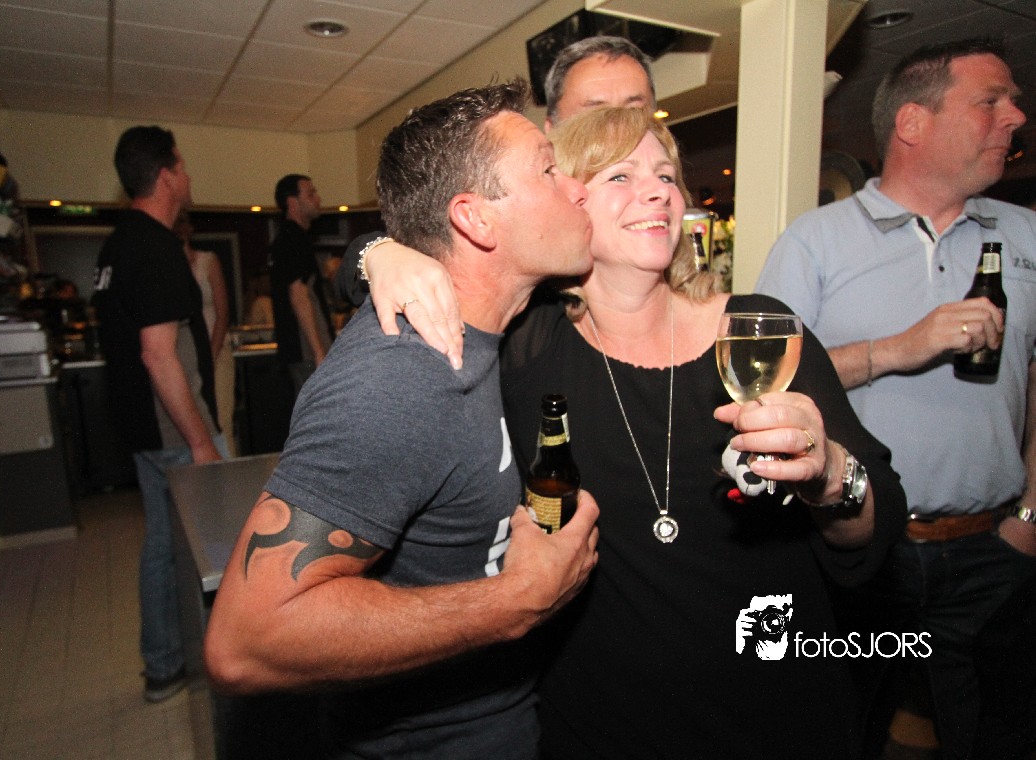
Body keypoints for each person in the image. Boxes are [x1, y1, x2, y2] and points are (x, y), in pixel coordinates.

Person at [344, 106, 906, 758]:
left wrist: (831, 473)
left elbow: (877, 523)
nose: (658, 191)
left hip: (776, 705)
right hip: (601, 719)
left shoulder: (755, 331)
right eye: (621, 175)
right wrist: (376, 255)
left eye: (666, 175)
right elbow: (447, 252)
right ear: (567, 198)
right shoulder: (530, 343)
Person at [203, 80, 600, 759]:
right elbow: (245, 644)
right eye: (548, 170)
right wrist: (516, 600)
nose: (578, 189)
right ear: (476, 220)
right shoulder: (397, 380)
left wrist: (371, 251)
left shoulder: (495, 328)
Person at [755, 38, 1036, 759]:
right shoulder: (815, 241)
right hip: (860, 556)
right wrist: (895, 350)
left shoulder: (1026, 237)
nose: (1015, 116)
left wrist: (1030, 518)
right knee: (839, 732)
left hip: (994, 551)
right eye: (991, 101)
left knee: (999, 738)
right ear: (913, 122)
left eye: (1012, 101)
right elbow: (767, 386)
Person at [338, 34, 657, 366]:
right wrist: (379, 254)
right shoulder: (535, 207)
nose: (619, 126)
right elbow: (425, 237)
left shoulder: (664, 211)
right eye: (596, 112)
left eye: (635, 110)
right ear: (552, 127)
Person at [91, 126, 227, 703]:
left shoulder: (116, 246)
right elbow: (158, 355)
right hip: (174, 429)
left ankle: (166, 663)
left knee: (163, 545)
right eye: (184, 167)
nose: (189, 178)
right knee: (208, 548)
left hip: (142, 427)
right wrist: (201, 441)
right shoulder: (154, 247)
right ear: (167, 175)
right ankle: (211, 666)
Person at [175, 211, 235, 457]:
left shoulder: (208, 260)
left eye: (184, 223)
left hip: (215, 351)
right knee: (191, 427)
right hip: (183, 358)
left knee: (221, 421)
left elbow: (223, 312)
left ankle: (229, 475)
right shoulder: (167, 265)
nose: (180, 228)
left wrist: (210, 356)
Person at [269, 173, 332, 393]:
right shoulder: (293, 239)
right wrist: (318, 351)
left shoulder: (289, 238)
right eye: (311, 194)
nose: (318, 199)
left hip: (299, 350)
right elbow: (298, 295)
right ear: (292, 202)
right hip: (305, 350)